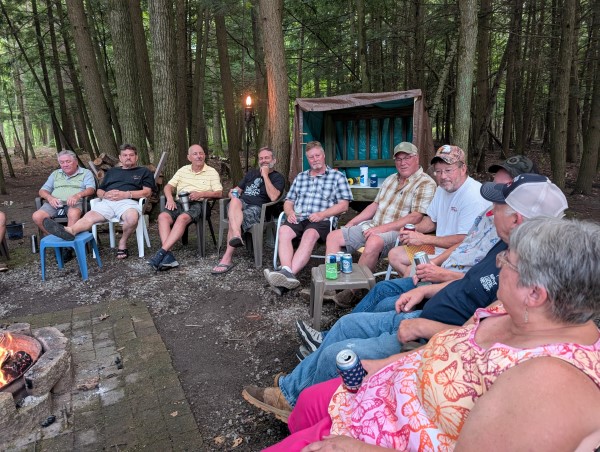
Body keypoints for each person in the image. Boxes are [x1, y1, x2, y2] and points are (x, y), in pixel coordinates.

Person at [242, 174, 569, 418]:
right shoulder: (505, 246)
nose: (491, 210)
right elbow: (469, 284)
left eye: (499, 205)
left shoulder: (528, 278)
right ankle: (292, 388)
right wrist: (426, 289)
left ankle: (295, 402)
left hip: (431, 339)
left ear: (517, 219)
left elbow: (485, 338)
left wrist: (424, 327)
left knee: (340, 353)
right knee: (346, 325)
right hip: (426, 313)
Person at [262, 217, 600, 451]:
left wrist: (363, 449)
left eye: (506, 262)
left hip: (384, 436)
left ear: (535, 293)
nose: (497, 265)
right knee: (309, 402)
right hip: (386, 393)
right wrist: (386, 365)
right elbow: (453, 344)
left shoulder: (553, 383)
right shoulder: (512, 310)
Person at [324, 142, 436, 306]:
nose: (402, 162)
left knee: (374, 241)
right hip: (373, 226)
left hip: (398, 233)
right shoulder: (391, 179)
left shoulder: (425, 183)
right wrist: (352, 222)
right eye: (398, 159)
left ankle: (354, 291)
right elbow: (375, 205)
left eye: (407, 158)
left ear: (417, 158)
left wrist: (379, 229)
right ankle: (332, 287)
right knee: (333, 237)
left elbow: (415, 217)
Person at [263, 141, 353, 291]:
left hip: (323, 220)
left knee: (309, 234)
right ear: (307, 159)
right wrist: (290, 212)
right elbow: (288, 201)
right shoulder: (301, 177)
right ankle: (287, 272)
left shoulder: (337, 177)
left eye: (317, 155)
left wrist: (322, 214)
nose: (315, 159)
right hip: (299, 217)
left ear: (323, 155)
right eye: (311, 157)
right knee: (284, 230)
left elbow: (344, 205)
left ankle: (287, 276)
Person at [390, 145, 490, 277]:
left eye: (448, 170)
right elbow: (432, 221)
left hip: (461, 255)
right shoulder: (442, 189)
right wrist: (412, 230)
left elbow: (465, 240)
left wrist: (424, 239)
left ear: (463, 169)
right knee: (395, 255)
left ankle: (424, 283)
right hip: (438, 248)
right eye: (438, 171)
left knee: (412, 270)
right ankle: (422, 283)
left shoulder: (473, 196)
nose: (443, 176)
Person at [43, 144, 156, 259]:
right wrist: (105, 195)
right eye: (125, 155)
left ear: (136, 157)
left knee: (132, 218)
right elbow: (99, 191)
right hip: (107, 202)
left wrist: (126, 194)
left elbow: (147, 192)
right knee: (88, 217)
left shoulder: (144, 171)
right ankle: (70, 230)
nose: (128, 157)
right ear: (120, 158)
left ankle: (122, 242)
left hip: (128, 202)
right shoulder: (112, 172)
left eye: (131, 155)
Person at [147, 145, 222, 270]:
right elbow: (168, 187)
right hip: (180, 202)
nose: (199, 156)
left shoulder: (211, 172)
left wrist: (201, 194)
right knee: (162, 217)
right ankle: (168, 256)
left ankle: (161, 253)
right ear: (189, 157)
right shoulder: (183, 170)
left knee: (182, 218)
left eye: (201, 153)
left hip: (199, 204)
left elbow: (219, 193)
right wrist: (170, 199)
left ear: (204, 155)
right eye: (195, 154)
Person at [211, 147, 285, 274]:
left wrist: (265, 175)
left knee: (234, 219)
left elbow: (274, 197)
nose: (263, 160)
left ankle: (226, 259)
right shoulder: (251, 173)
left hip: (259, 209)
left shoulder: (278, 177)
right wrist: (232, 193)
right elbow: (236, 190)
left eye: (267, 158)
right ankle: (237, 235)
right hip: (241, 205)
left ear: (274, 160)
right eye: (261, 158)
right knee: (235, 201)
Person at [32, 150, 96, 235]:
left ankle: (69, 238)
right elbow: (42, 191)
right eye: (62, 162)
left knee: (73, 213)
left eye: (68, 161)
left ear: (76, 161)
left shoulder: (85, 173)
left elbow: (91, 189)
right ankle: (56, 238)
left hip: (75, 203)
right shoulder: (55, 174)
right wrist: (50, 198)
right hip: (55, 203)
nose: (65, 165)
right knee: (37, 216)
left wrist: (77, 195)